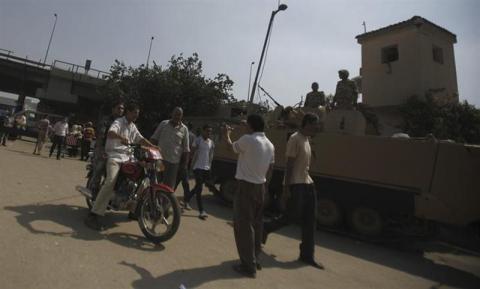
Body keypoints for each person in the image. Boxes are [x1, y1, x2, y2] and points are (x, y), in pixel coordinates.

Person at [263, 113, 324, 269]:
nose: (317, 127)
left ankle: (307, 255)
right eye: (315, 124)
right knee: (291, 217)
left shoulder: (307, 140)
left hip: (308, 184)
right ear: (307, 123)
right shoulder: (295, 138)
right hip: (296, 185)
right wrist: (286, 188)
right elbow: (289, 165)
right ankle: (265, 228)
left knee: (311, 221)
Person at [84, 103, 157, 231]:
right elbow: (111, 133)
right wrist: (120, 137)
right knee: (110, 181)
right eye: (134, 113)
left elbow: (140, 139)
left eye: (137, 114)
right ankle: (93, 215)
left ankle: (135, 210)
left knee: (142, 179)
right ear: (128, 112)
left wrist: (153, 146)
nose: (136, 116)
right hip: (114, 156)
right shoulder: (118, 122)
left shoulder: (133, 126)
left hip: (127, 157)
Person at [224, 114, 275, 278]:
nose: (245, 126)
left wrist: (226, 133)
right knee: (256, 225)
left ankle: (248, 266)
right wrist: (265, 185)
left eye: (247, 124)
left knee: (243, 226)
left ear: (251, 126)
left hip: (246, 186)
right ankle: (255, 259)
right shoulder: (270, 144)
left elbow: (230, 147)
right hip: (260, 186)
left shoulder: (248, 139)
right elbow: (271, 167)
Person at [150, 107, 190, 189]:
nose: (177, 116)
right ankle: (154, 201)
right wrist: (152, 155)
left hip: (173, 163)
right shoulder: (163, 124)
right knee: (156, 182)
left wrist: (184, 165)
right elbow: (154, 139)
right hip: (160, 160)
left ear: (181, 116)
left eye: (179, 115)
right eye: (175, 114)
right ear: (172, 114)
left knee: (168, 187)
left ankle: (164, 201)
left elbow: (186, 149)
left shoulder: (184, 129)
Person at [90, 99, 125, 192]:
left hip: (116, 149)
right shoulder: (107, 120)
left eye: (122, 109)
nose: (121, 110)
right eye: (119, 108)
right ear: (113, 109)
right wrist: (103, 149)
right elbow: (101, 134)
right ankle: (94, 188)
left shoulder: (123, 122)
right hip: (103, 147)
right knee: (100, 167)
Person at [184, 124, 214, 219]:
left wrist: (209, 166)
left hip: (206, 168)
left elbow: (211, 155)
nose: (209, 133)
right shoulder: (198, 140)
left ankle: (186, 199)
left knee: (197, 187)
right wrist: (189, 166)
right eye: (207, 131)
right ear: (203, 131)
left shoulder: (211, 142)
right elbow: (192, 153)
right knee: (199, 189)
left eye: (210, 131)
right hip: (198, 168)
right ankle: (201, 211)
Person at [175, 122, 196, 209]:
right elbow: (192, 151)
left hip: (178, 161)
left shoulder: (181, 134)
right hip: (185, 162)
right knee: (185, 184)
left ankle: (166, 199)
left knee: (175, 182)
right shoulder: (193, 136)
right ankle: (186, 202)